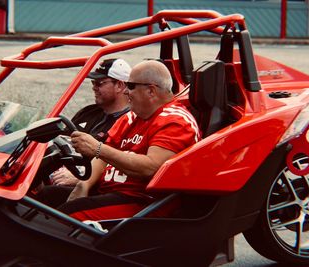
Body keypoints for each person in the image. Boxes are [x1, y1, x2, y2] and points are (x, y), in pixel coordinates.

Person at [53, 60, 201, 221]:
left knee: (68, 215)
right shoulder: (131, 117)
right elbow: (102, 158)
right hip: (110, 192)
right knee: (45, 197)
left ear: (151, 91)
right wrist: (84, 185)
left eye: (130, 86)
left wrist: (98, 148)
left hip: (142, 203)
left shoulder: (176, 121)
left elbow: (151, 167)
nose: (126, 92)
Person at [48, 58, 131, 187]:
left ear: (119, 86)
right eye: (93, 82)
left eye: (99, 83)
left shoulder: (131, 121)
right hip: (63, 170)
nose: (94, 87)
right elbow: (60, 140)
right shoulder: (88, 112)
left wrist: (80, 177)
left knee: (48, 194)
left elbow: (122, 165)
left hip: (90, 182)